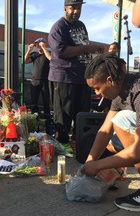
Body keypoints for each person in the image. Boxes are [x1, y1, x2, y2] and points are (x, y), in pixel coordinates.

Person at [82, 52, 140, 212]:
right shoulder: (120, 91)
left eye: (97, 88)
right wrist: (90, 162)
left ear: (109, 80)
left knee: (122, 119)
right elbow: (105, 130)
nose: (97, 93)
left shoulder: (139, 92)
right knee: (112, 140)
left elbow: (139, 150)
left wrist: (98, 165)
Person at [48, 0, 104, 143]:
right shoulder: (58, 27)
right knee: (63, 116)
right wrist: (86, 48)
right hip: (64, 77)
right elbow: (61, 52)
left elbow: (83, 45)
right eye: (72, 8)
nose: (76, 11)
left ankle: (81, 144)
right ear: (65, 8)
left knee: (82, 114)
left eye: (78, 8)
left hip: (82, 77)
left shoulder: (81, 25)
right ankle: (62, 149)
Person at [24, 37, 53, 133]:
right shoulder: (35, 55)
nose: (38, 47)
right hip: (35, 81)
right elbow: (25, 60)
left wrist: (44, 48)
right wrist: (29, 50)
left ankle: (48, 128)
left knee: (46, 103)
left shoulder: (48, 53)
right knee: (34, 103)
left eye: (39, 44)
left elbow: (50, 58)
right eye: (37, 45)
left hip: (45, 81)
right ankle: (34, 127)